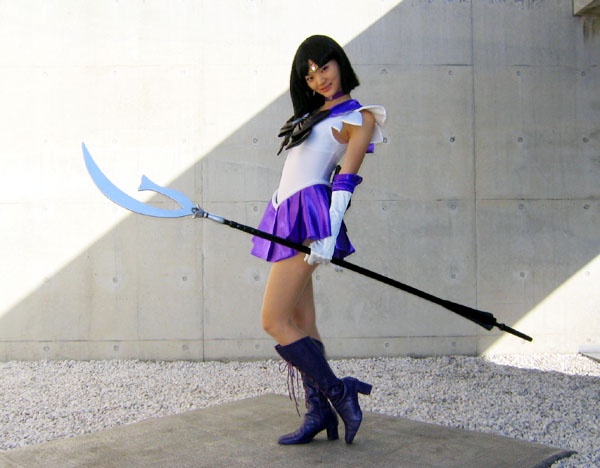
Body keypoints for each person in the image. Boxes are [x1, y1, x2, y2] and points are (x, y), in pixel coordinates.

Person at [251, 35, 386, 445]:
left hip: (309, 218)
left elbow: (345, 180)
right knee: (302, 322)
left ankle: (339, 392)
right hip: (286, 212)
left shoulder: (360, 117)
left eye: (324, 68)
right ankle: (320, 412)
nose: (320, 79)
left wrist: (327, 232)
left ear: (339, 63)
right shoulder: (312, 114)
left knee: (273, 320)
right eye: (310, 76)